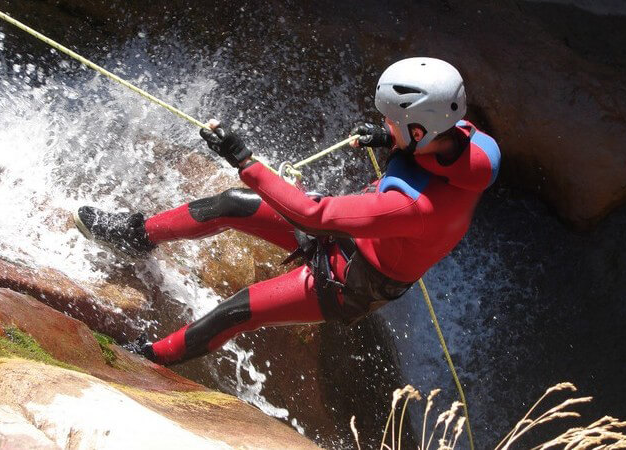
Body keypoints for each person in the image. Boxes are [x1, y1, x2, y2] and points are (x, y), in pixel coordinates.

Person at [74, 57, 500, 365]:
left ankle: (149, 359)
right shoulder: (468, 139)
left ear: (419, 129)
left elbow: (312, 215)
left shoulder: (413, 206)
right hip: (354, 238)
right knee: (230, 205)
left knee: (236, 311)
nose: (383, 124)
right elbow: (427, 155)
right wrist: (389, 139)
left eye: (389, 121)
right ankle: (136, 235)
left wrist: (245, 162)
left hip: (349, 282)